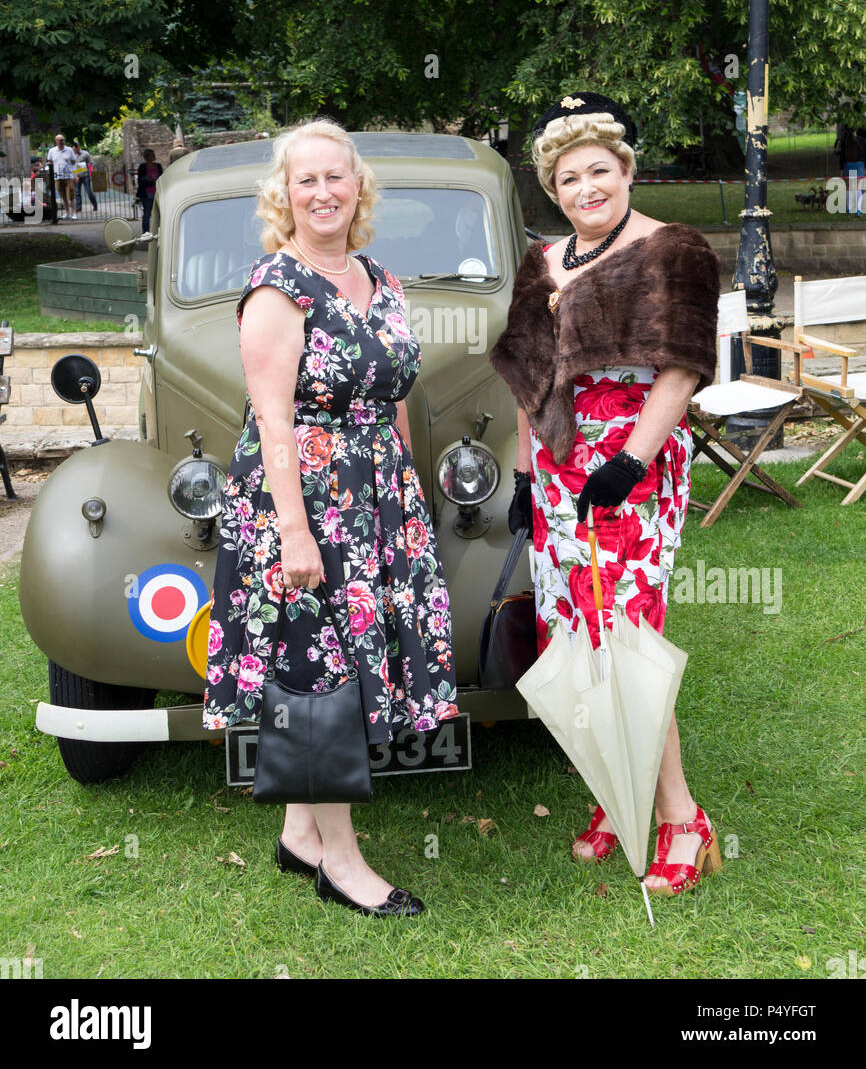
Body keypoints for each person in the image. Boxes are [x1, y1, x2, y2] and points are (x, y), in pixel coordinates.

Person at [202, 117, 459, 916]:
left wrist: (410, 498)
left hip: (378, 497)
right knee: (324, 670)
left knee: (344, 658)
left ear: (358, 188)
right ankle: (340, 862)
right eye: (304, 180)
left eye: (335, 177)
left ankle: (298, 833)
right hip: (303, 501)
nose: (322, 192)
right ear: (284, 194)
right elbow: (272, 422)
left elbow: (395, 396)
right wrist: (295, 532)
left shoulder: (380, 278)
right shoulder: (277, 288)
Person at [489, 91, 723, 898]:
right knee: (576, 638)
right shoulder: (544, 261)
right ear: (552, 192)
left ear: (626, 169)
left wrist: (630, 459)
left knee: (623, 639)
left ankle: (681, 816)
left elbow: (683, 366)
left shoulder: (674, 249)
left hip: (632, 467)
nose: (585, 188)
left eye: (598, 171)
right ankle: (615, 796)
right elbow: (529, 381)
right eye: (566, 179)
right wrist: (525, 478)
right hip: (559, 471)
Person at [47, 133, 76, 220]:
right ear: (56, 141)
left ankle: (74, 214)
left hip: (69, 176)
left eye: (63, 140)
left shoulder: (70, 150)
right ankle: (67, 213)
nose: (62, 142)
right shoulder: (52, 151)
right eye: (60, 140)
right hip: (57, 177)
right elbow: (50, 162)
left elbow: (74, 162)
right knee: (63, 196)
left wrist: (75, 174)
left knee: (71, 195)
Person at [136, 148, 162, 232]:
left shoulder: (158, 166)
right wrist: (151, 181)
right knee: (147, 214)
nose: (153, 156)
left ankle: (159, 231)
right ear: (147, 157)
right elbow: (141, 181)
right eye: (151, 155)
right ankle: (146, 232)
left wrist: (153, 180)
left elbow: (162, 178)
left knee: (159, 213)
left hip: (157, 192)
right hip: (146, 194)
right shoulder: (142, 167)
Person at [71, 142, 98, 214]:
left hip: (85, 175)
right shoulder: (71, 155)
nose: (74, 150)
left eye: (75, 149)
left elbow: (92, 163)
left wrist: (93, 172)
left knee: (89, 192)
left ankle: (95, 205)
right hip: (76, 176)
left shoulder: (85, 154)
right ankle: (78, 207)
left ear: (78, 147)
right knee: (77, 192)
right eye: (73, 149)